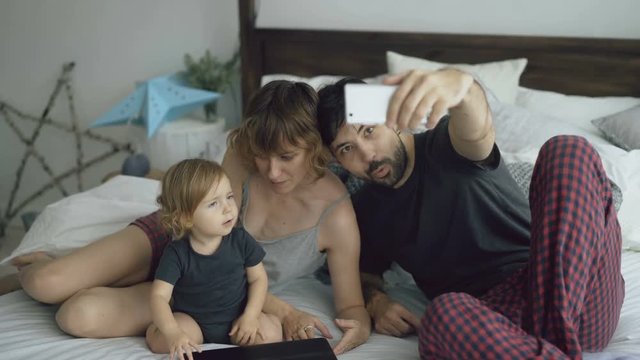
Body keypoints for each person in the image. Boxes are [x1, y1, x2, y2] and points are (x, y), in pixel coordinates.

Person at [4, 80, 370, 355]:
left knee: (76, 316)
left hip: (203, 293)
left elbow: (351, 305)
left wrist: (361, 327)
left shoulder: (335, 215)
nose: (271, 171)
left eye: (287, 157)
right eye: (263, 155)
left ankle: (93, 276)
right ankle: (32, 271)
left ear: (316, 146)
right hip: (175, 237)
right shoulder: (243, 154)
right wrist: (287, 313)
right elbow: (215, 239)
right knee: (47, 283)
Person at [316, 69, 624, 359]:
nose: (366, 155)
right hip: (495, 318)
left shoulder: (448, 144)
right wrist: (377, 301)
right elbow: (364, 273)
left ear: (393, 119)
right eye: (346, 149)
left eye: (369, 131)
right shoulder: (365, 209)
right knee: (442, 315)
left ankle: (555, 329)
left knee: (567, 151)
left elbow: (476, 124)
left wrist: (462, 87)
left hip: (569, 289)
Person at [145, 158, 281, 360]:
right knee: (162, 341)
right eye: (213, 204)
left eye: (229, 197)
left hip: (238, 319)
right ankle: (154, 330)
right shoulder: (176, 253)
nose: (228, 208)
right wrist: (173, 332)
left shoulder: (240, 240)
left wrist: (251, 316)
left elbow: (258, 279)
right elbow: (159, 297)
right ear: (185, 218)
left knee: (270, 334)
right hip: (194, 324)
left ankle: (268, 321)